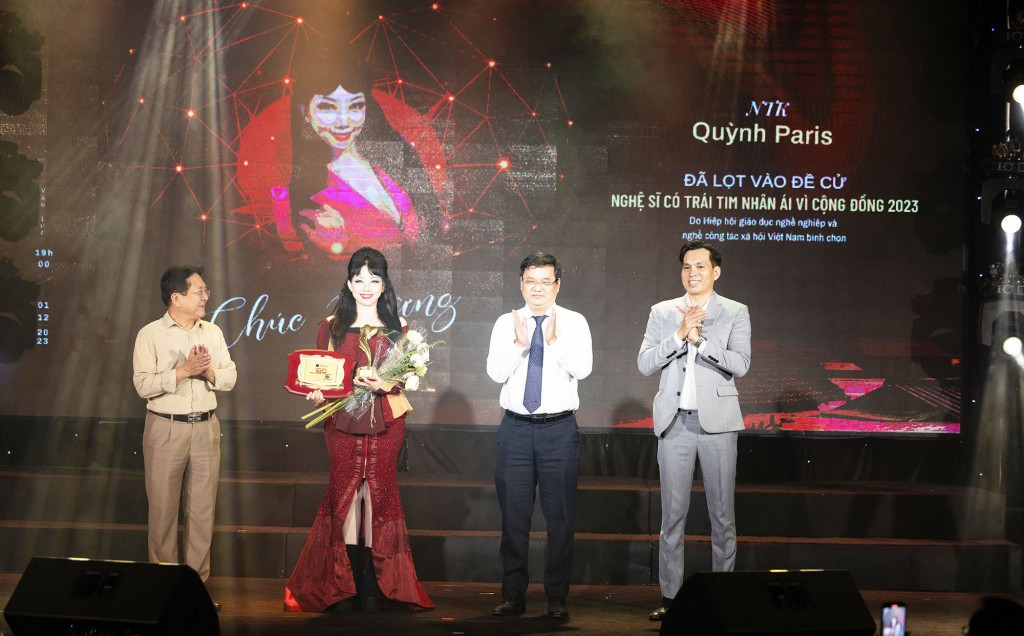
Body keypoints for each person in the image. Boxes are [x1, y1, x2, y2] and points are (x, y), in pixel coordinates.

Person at [284, 246, 433, 613]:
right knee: (347, 492)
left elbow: (405, 377)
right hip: (342, 421)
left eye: (373, 280)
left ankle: (374, 583)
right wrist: (318, 393)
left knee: (378, 492)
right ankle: (342, 583)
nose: (366, 286)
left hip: (387, 420)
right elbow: (323, 374)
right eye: (359, 279)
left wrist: (384, 382)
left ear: (384, 285)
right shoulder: (332, 325)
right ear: (349, 284)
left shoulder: (399, 327)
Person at [637, 240, 751, 622]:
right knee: (672, 517)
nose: (693, 273)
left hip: (718, 425)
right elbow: (644, 363)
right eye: (687, 266)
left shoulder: (735, 311)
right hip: (675, 424)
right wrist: (678, 335)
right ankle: (671, 599)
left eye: (700, 266)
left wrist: (699, 341)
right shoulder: (662, 311)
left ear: (715, 271)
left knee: (722, 516)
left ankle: (723, 598)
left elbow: (741, 363)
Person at [485, 252, 593, 620]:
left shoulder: (574, 322)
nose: (537, 289)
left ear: (557, 285)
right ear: (521, 284)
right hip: (515, 429)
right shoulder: (507, 322)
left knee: (559, 520)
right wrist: (520, 344)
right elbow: (495, 373)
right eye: (531, 281)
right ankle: (512, 595)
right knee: (514, 519)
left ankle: (557, 598)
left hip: (558, 430)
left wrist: (553, 342)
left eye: (545, 282)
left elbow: (584, 368)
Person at [270, 42, 439, 260]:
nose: (344, 121)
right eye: (327, 107)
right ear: (305, 112)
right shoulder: (309, 194)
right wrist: (339, 245)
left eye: (355, 106)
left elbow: (431, 224)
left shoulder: (390, 159)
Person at [132, 266, 237, 594]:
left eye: (206, 291)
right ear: (176, 298)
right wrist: (184, 371)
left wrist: (207, 373)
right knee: (163, 512)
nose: (206, 297)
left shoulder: (212, 332)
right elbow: (143, 385)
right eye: (199, 291)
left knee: (202, 513)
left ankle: (194, 592)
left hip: (206, 427)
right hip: (166, 428)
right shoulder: (150, 334)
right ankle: (164, 592)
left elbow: (230, 377)